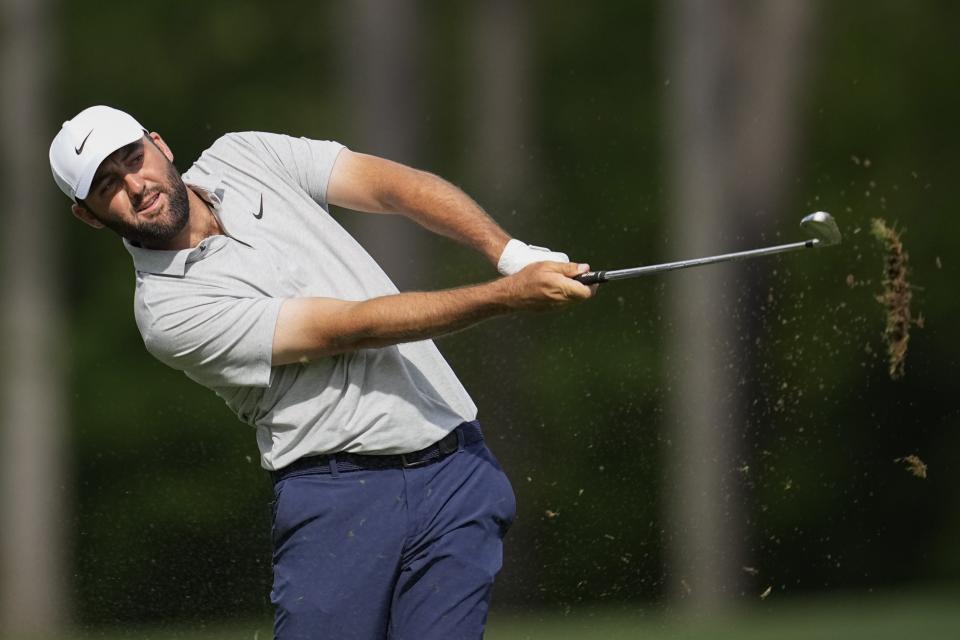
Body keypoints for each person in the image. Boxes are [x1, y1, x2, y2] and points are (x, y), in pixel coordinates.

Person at [49, 105, 594, 639]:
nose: (136, 184)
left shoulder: (243, 154)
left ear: (159, 144)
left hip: (456, 470)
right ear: (90, 215)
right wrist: (507, 297)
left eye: (132, 158)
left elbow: (387, 185)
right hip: (338, 498)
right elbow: (347, 329)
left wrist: (509, 254)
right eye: (107, 185)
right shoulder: (167, 312)